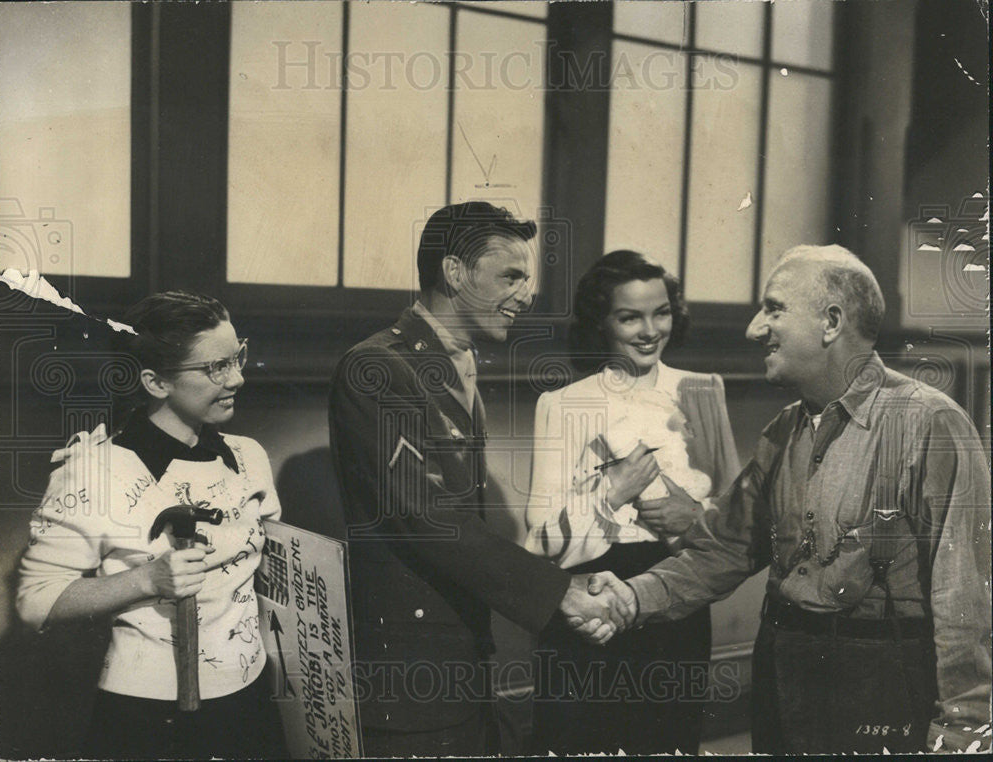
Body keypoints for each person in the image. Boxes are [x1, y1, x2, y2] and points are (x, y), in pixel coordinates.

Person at [575, 246, 991, 754]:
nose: (754, 329)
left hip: (881, 688)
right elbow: (723, 548)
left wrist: (965, 730)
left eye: (773, 309)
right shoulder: (783, 431)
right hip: (782, 677)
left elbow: (965, 596)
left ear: (831, 322)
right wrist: (632, 597)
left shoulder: (928, 423)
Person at [327, 201, 632, 757]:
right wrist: (560, 593)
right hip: (411, 669)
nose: (526, 294)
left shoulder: (450, 362)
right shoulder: (377, 369)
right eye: (510, 275)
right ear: (454, 273)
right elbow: (428, 517)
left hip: (457, 655)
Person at [16, 291, 287, 759]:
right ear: (156, 382)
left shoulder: (249, 457)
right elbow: (33, 600)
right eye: (215, 367)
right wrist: (146, 579)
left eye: (237, 356)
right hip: (148, 713)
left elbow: (275, 569)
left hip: (251, 695)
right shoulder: (93, 471)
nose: (238, 378)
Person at [523, 250, 740, 754]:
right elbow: (539, 543)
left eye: (660, 312)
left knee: (666, 740)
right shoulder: (563, 403)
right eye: (629, 316)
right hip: (589, 602)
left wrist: (696, 517)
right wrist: (613, 492)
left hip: (676, 594)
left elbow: (738, 525)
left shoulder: (704, 391)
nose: (649, 330)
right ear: (602, 321)